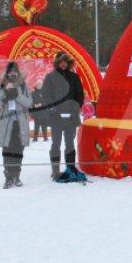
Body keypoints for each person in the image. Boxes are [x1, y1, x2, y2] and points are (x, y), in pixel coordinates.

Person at [39, 51, 85, 181]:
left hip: (71, 117)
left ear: (68, 63)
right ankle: (55, 170)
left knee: (70, 143)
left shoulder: (75, 77)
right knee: (56, 144)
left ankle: (70, 168)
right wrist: (53, 107)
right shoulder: (50, 77)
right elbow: (46, 95)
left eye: (65, 61)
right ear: (57, 63)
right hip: (56, 117)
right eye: (61, 62)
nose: (63, 64)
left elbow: (79, 95)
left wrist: (75, 109)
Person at [0, 62, 31, 188]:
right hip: (7, 124)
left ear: (18, 72)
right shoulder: (3, 85)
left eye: (14, 71)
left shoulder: (24, 86)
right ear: (7, 73)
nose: (12, 73)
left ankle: (17, 176)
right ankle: (8, 177)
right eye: (10, 71)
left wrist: (17, 95)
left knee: (18, 150)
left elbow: (29, 102)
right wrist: (5, 90)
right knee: (7, 151)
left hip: (20, 124)